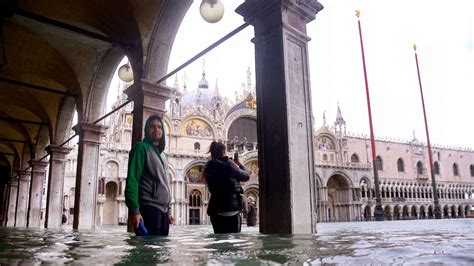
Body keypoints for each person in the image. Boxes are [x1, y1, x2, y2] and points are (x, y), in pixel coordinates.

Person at [125, 115, 174, 236]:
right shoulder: (141, 148)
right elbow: (133, 180)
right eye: (152, 127)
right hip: (149, 209)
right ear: (146, 130)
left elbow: (165, 183)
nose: (156, 129)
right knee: (148, 252)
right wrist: (135, 211)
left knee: (160, 250)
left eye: (159, 127)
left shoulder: (163, 155)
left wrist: (168, 210)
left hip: (162, 211)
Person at [204, 142, 250, 233]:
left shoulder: (208, 165)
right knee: (235, 243)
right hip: (231, 210)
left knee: (218, 242)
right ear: (223, 151)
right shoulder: (229, 163)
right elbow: (246, 176)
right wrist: (240, 165)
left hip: (216, 210)